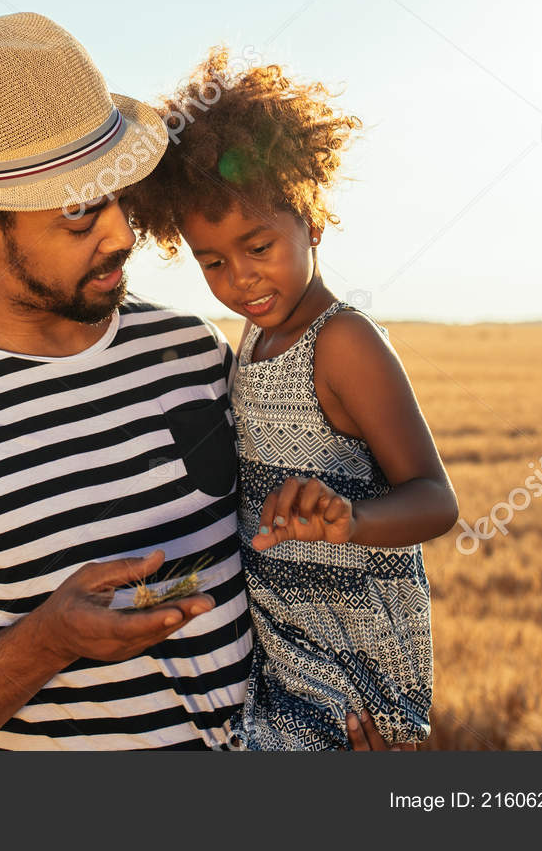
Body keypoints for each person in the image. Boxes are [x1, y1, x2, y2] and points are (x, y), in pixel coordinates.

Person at [0, 12, 401, 751]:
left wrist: (353, 711)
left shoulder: (191, 351)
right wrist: (46, 642)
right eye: (81, 213)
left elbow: (323, 544)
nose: (122, 234)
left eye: (119, 194)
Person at [122, 45, 460, 751]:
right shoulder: (251, 338)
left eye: (259, 245)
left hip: (352, 657)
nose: (241, 278)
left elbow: (434, 498)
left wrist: (350, 519)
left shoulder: (343, 343)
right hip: (285, 641)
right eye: (212, 261)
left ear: (312, 219)